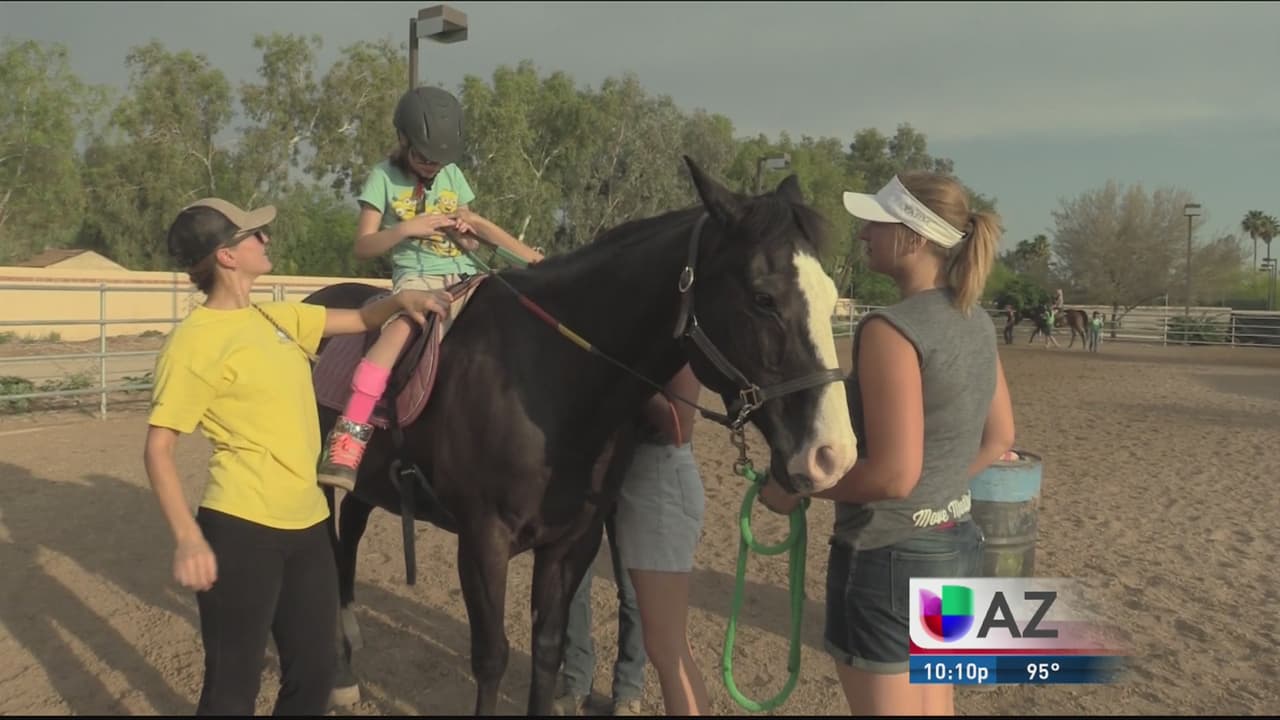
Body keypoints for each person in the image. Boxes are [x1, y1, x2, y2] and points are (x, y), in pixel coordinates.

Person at [143, 198, 453, 715]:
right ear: (226, 256)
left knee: (314, 677)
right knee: (231, 691)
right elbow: (159, 448)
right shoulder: (193, 344)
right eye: (253, 234)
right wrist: (187, 538)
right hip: (242, 529)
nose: (265, 239)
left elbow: (362, 316)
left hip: (310, 527)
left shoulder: (275, 316)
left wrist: (403, 299)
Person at [758, 173, 1016, 716]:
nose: (863, 233)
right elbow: (1000, 438)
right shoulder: (976, 320)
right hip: (956, 544)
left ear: (913, 236)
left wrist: (794, 485)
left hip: (888, 557)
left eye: (876, 222)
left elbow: (894, 477)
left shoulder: (890, 329)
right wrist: (937, 494)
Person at [316, 85, 544, 490]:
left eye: (440, 160)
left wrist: (467, 235)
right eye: (424, 158)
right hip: (415, 280)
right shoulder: (382, 178)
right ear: (403, 140)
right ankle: (349, 434)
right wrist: (407, 229)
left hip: (464, 276)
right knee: (397, 334)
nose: (432, 167)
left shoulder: (452, 176)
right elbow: (363, 246)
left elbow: (471, 243)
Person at [613, 364, 710, 715]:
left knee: (668, 649)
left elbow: (678, 422)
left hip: (659, 483)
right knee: (668, 646)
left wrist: (620, 371)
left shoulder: (681, 346)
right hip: (646, 481)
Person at [554, 506, 646, 716]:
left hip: (627, 493)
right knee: (573, 589)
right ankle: (576, 687)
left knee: (633, 592)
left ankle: (628, 692)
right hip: (579, 493)